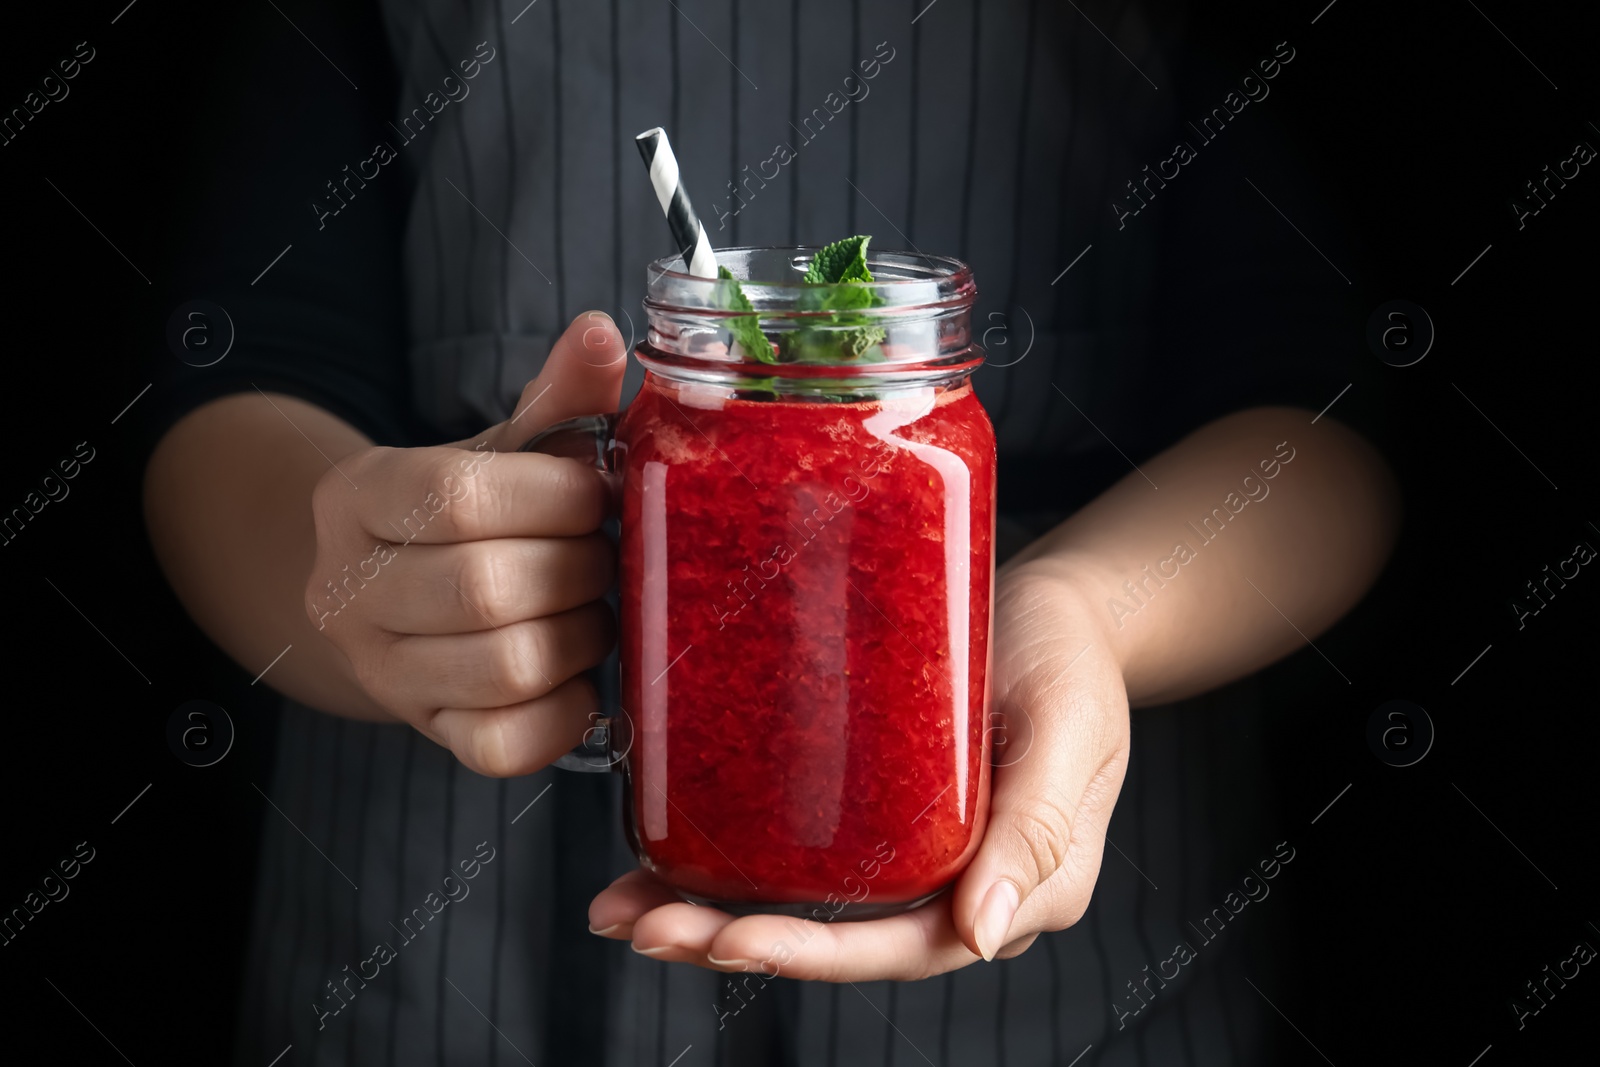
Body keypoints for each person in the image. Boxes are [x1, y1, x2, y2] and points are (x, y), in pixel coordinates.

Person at [142, 1, 1395, 1064]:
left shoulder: (941, 436)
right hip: (436, 957)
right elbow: (234, 363)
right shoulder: (673, 435)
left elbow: (1324, 413)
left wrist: (1083, 610)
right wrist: (357, 574)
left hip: (1066, 1000)